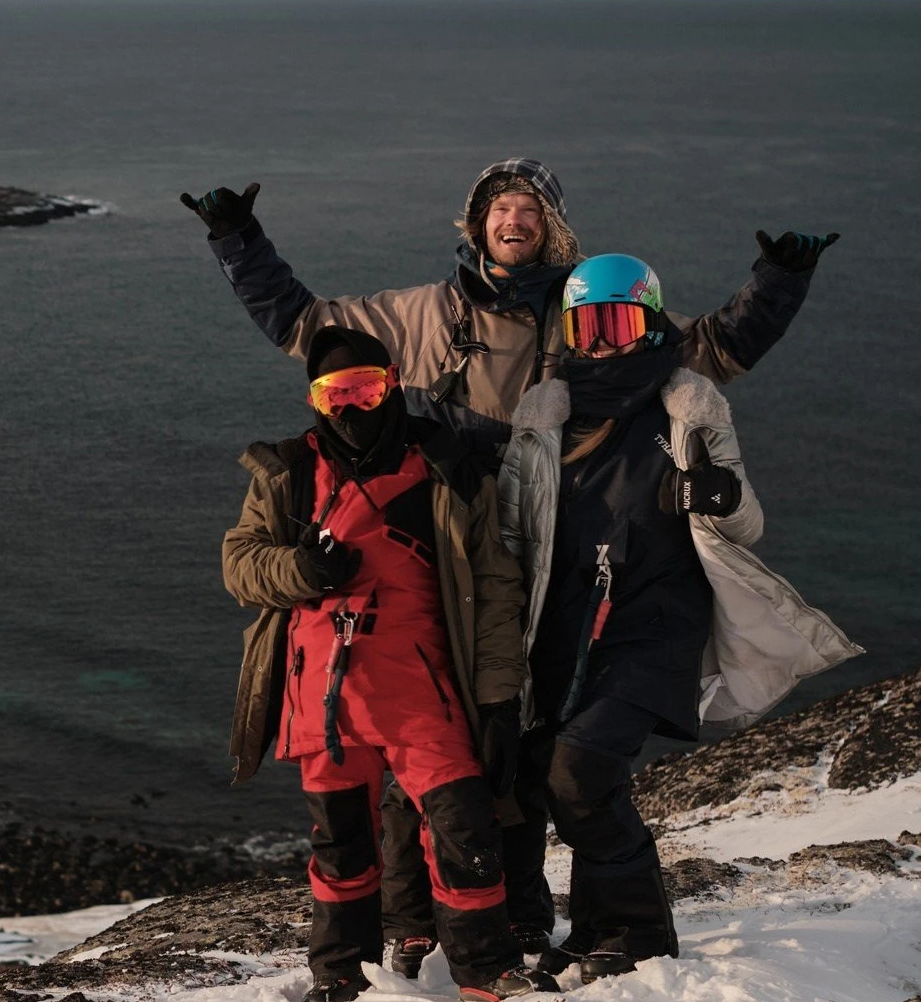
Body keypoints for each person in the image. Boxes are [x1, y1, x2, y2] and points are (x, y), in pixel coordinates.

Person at [184, 158, 840, 969]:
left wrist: (779, 280)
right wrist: (237, 240)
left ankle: (543, 922)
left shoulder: (586, 314)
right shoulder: (426, 315)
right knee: (458, 757)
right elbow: (309, 328)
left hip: (548, 564)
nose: (514, 216)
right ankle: (454, 919)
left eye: (531, 206)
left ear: (551, 228)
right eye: (499, 204)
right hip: (456, 554)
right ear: (477, 222)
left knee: (518, 750)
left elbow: (704, 347)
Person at [496, 253, 862, 983]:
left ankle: (637, 929)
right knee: (552, 770)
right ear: (569, 331)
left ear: (650, 321)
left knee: (580, 771)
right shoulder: (543, 415)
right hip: (567, 626)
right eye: (587, 325)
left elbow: (746, 522)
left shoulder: (685, 405)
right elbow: (514, 530)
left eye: (618, 321)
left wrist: (718, 494)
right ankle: (597, 929)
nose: (601, 340)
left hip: (656, 624)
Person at [221, 324, 559, 1002]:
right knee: (340, 845)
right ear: (316, 399)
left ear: (393, 383)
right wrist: (300, 568)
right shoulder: (287, 475)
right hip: (322, 698)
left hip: (421, 692)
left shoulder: (449, 472)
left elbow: (496, 591)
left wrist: (497, 702)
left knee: (466, 829)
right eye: (333, 392)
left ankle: (484, 971)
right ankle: (338, 974)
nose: (349, 406)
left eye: (364, 388)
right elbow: (239, 564)